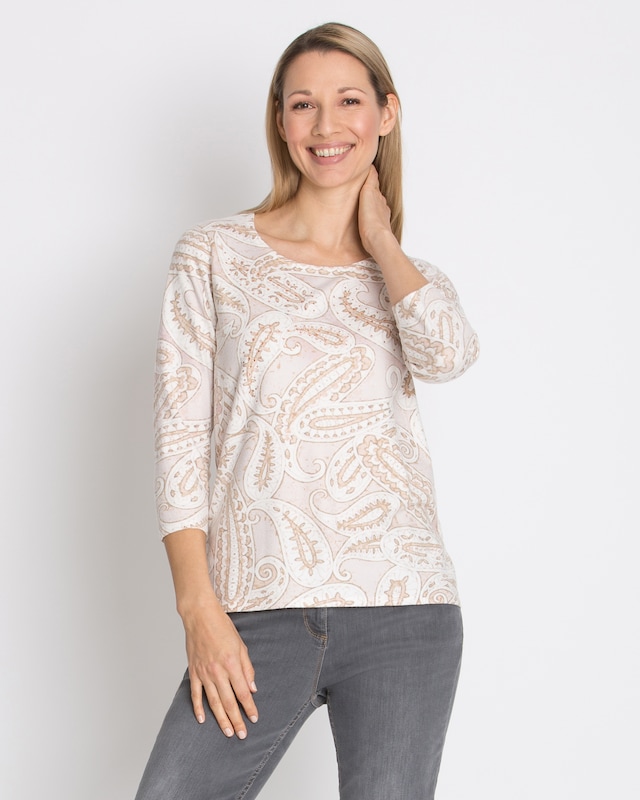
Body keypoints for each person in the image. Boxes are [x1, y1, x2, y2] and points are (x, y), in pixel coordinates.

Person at [136, 21, 479, 800]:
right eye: (303, 104)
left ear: (386, 114)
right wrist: (198, 608)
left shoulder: (412, 278)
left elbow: (449, 356)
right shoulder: (214, 254)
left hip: (404, 608)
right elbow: (179, 436)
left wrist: (381, 242)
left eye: (349, 101)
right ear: (281, 120)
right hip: (255, 610)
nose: (327, 125)